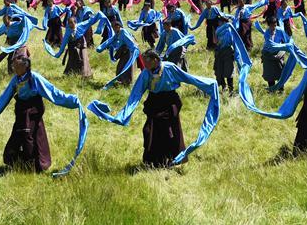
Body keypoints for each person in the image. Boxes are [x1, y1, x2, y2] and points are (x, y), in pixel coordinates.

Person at [87, 49, 220, 168]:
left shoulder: (169, 68)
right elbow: (136, 93)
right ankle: (154, 161)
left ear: (155, 60)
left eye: (147, 61)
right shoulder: (146, 73)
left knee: (169, 131)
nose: (144, 64)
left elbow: (188, 78)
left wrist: (209, 84)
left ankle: (171, 160)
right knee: (149, 130)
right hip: (154, 102)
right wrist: (125, 113)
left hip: (169, 102)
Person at [0, 46, 89, 177]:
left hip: (33, 111)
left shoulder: (35, 78)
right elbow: (3, 98)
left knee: (31, 136)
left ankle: (35, 165)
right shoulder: (15, 80)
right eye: (13, 64)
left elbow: (52, 92)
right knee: (18, 135)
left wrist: (71, 100)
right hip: (21, 111)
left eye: (15, 64)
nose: (13, 67)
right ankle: (19, 163)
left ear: (24, 64)